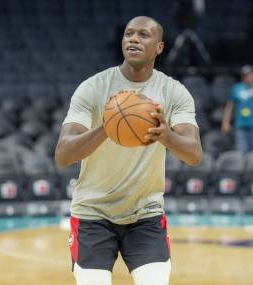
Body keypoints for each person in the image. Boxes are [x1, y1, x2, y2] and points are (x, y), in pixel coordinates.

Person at [55, 16, 202, 285]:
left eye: (143, 35)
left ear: (159, 47)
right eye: (128, 34)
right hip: (92, 214)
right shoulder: (92, 88)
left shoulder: (174, 92)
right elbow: (63, 154)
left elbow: (194, 154)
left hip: (145, 214)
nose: (133, 39)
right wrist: (105, 128)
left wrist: (165, 134)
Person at [221, 65, 253, 153]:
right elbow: (229, 106)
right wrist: (225, 122)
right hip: (241, 126)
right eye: (245, 75)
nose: (248, 77)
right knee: (241, 152)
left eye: (250, 74)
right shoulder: (236, 88)